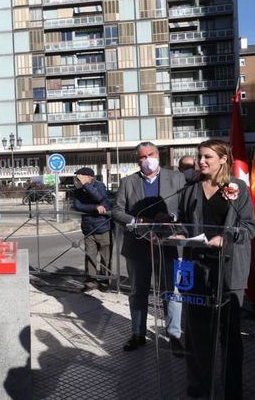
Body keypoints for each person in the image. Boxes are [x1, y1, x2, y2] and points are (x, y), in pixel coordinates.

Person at [174, 139, 255, 399]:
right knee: (197, 333)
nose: (201, 161)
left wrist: (226, 239)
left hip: (228, 269)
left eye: (208, 156)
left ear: (223, 159)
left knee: (228, 335)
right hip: (195, 267)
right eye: (199, 156)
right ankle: (200, 386)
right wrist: (175, 233)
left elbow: (249, 227)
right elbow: (183, 224)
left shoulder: (237, 188)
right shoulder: (190, 189)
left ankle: (232, 390)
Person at [112, 141, 185, 353]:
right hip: (137, 245)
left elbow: (186, 207)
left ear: (158, 155)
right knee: (138, 292)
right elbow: (116, 210)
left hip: (168, 245)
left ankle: (174, 335)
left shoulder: (177, 178)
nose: (146, 160)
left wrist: (171, 217)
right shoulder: (128, 182)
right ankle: (137, 333)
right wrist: (137, 220)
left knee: (171, 291)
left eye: (150, 155)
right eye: (142, 157)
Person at [71, 167, 111, 292]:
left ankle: (105, 281)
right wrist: (94, 208)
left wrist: (86, 185)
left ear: (88, 176)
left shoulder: (99, 185)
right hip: (88, 228)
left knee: (106, 257)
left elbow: (99, 197)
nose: (77, 179)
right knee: (90, 256)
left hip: (103, 227)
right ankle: (91, 282)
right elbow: (77, 205)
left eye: (79, 176)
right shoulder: (78, 189)